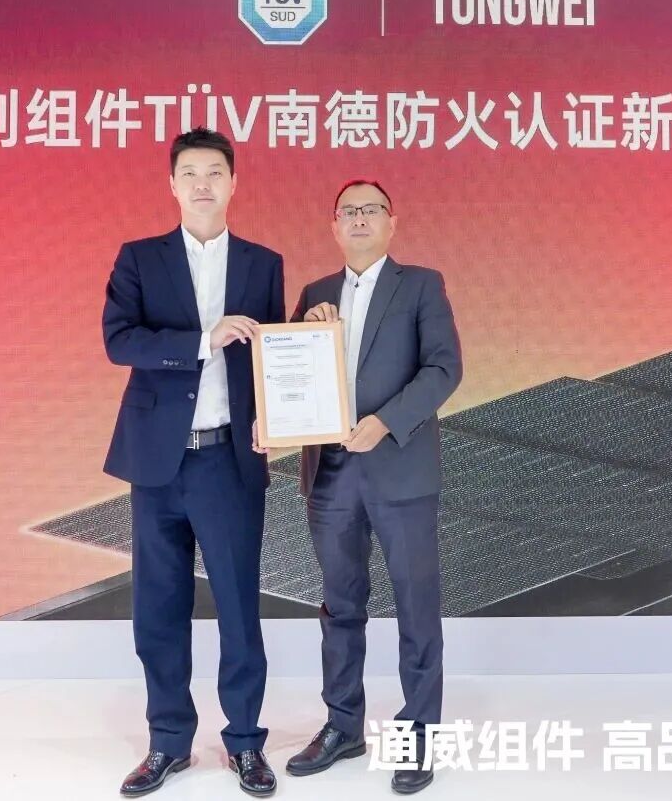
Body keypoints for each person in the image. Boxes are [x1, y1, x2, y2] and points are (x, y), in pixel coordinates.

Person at [102, 127, 283, 797]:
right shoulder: (139, 258)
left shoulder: (263, 264)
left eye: (215, 172)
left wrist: (279, 416)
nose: (203, 183)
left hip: (228, 459)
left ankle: (245, 742)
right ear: (172, 185)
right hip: (158, 459)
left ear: (234, 183)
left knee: (238, 604)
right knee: (159, 606)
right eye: (190, 173)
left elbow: (272, 355)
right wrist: (204, 339)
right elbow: (120, 341)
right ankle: (168, 742)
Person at [284, 179, 462, 795]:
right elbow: (289, 371)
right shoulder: (315, 294)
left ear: (392, 222)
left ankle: (419, 736)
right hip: (331, 472)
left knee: (416, 604)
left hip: (400, 469)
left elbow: (444, 368)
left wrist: (386, 421)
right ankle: (343, 725)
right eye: (348, 211)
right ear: (334, 226)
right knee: (339, 604)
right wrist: (305, 328)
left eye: (371, 210)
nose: (359, 219)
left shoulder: (421, 285)